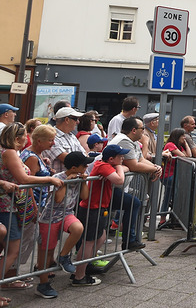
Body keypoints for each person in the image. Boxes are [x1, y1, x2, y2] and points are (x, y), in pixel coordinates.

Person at [0, 123, 62, 290]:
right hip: (8, 205)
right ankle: (6, 280)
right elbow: (24, 179)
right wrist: (50, 179)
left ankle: (7, 279)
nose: (26, 139)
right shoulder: (10, 152)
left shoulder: (10, 151)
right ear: (18, 138)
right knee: (13, 248)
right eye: (24, 136)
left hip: (12, 203)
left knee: (9, 246)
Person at [35, 151, 90, 299]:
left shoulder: (79, 177)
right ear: (73, 168)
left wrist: (83, 181)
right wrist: (65, 181)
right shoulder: (57, 178)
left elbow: (84, 197)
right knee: (46, 252)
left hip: (67, 213)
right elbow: (58, 199)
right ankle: (43, 284)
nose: (86, 167)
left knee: (78, 228)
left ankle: (64, 256)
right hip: (50, 217)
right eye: (84, 165)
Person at [73, 144, 128, 286]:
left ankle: (86, 265)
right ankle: (79, 276)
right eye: (120, 157)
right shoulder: (103, 166)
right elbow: (119, 180)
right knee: (88, 241)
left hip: (99, 207)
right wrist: (120, 168)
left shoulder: (107, 165)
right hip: (92, 208)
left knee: (101, 236)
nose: (123, 158)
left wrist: (119, 167)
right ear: (111, 159)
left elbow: (122, 172)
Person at [108, 117, 161, 250]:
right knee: (134, 202)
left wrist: (156, 167)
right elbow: (134, 165)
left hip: (117, 186)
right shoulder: (124, 141)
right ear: (133, 130)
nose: (143, 131)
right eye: (142, 129)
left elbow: (141, 159)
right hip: (107, 187)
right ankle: (129, 240)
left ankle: (130, 239)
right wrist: (154, 169)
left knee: (134, 202)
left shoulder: (133, 142)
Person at [41, 107, 86, 175]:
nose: (78, 122)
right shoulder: (52, 136)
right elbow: (69, 160)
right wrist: (83, 160)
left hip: (71, 182)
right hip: (57, 183)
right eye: (75, 119)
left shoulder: (72, 136)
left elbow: (85, 155)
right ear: (67, 120)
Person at [160, 129, 190, 221]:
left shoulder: (179, 146)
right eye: (183, 136)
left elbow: (189, 155)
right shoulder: (170, 145)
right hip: (168, 175)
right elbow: (183, 157)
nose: (184, 138)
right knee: (168, 196)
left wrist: (186, 144)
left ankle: (170, 218)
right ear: (177, 136)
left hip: (174, 175)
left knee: (171, 196)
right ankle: (163, 217)